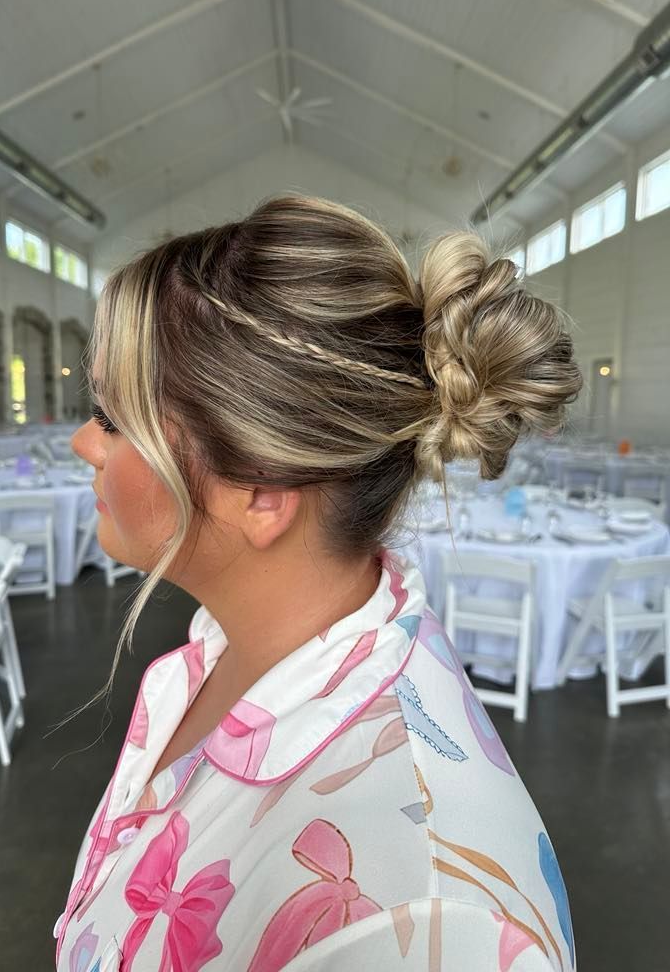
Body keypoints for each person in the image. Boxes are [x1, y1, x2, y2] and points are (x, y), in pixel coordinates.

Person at [60, 194, 581, 971]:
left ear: (261, 492)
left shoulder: (414, 923)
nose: (83, 443)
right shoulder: (222, 652)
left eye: (111, 415)